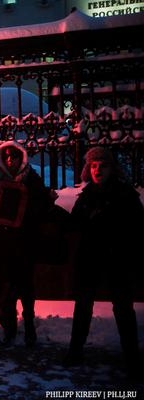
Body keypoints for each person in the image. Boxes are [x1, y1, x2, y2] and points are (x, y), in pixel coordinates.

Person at [62, 147, 143, 381]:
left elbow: (137, 228)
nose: (97, 170)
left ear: (111, 168)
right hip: (90, 259)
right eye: (94, 166)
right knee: (83, 305)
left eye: (102, 166)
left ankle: (132, 358)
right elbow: (74, 224)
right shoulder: (86, 195)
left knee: (123, 308)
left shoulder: (126, 194)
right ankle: (75, 352)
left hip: (117, 259)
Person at [0, 141, 57, 347]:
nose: (9, 160)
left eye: (14, 156)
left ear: (21, 157)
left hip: (25, 241)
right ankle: (10, 328)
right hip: (4, 243)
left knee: (25, 287)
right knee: (6, 288)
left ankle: (29, 325)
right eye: (6, 156)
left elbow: (40, 205)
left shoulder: (31, 178)